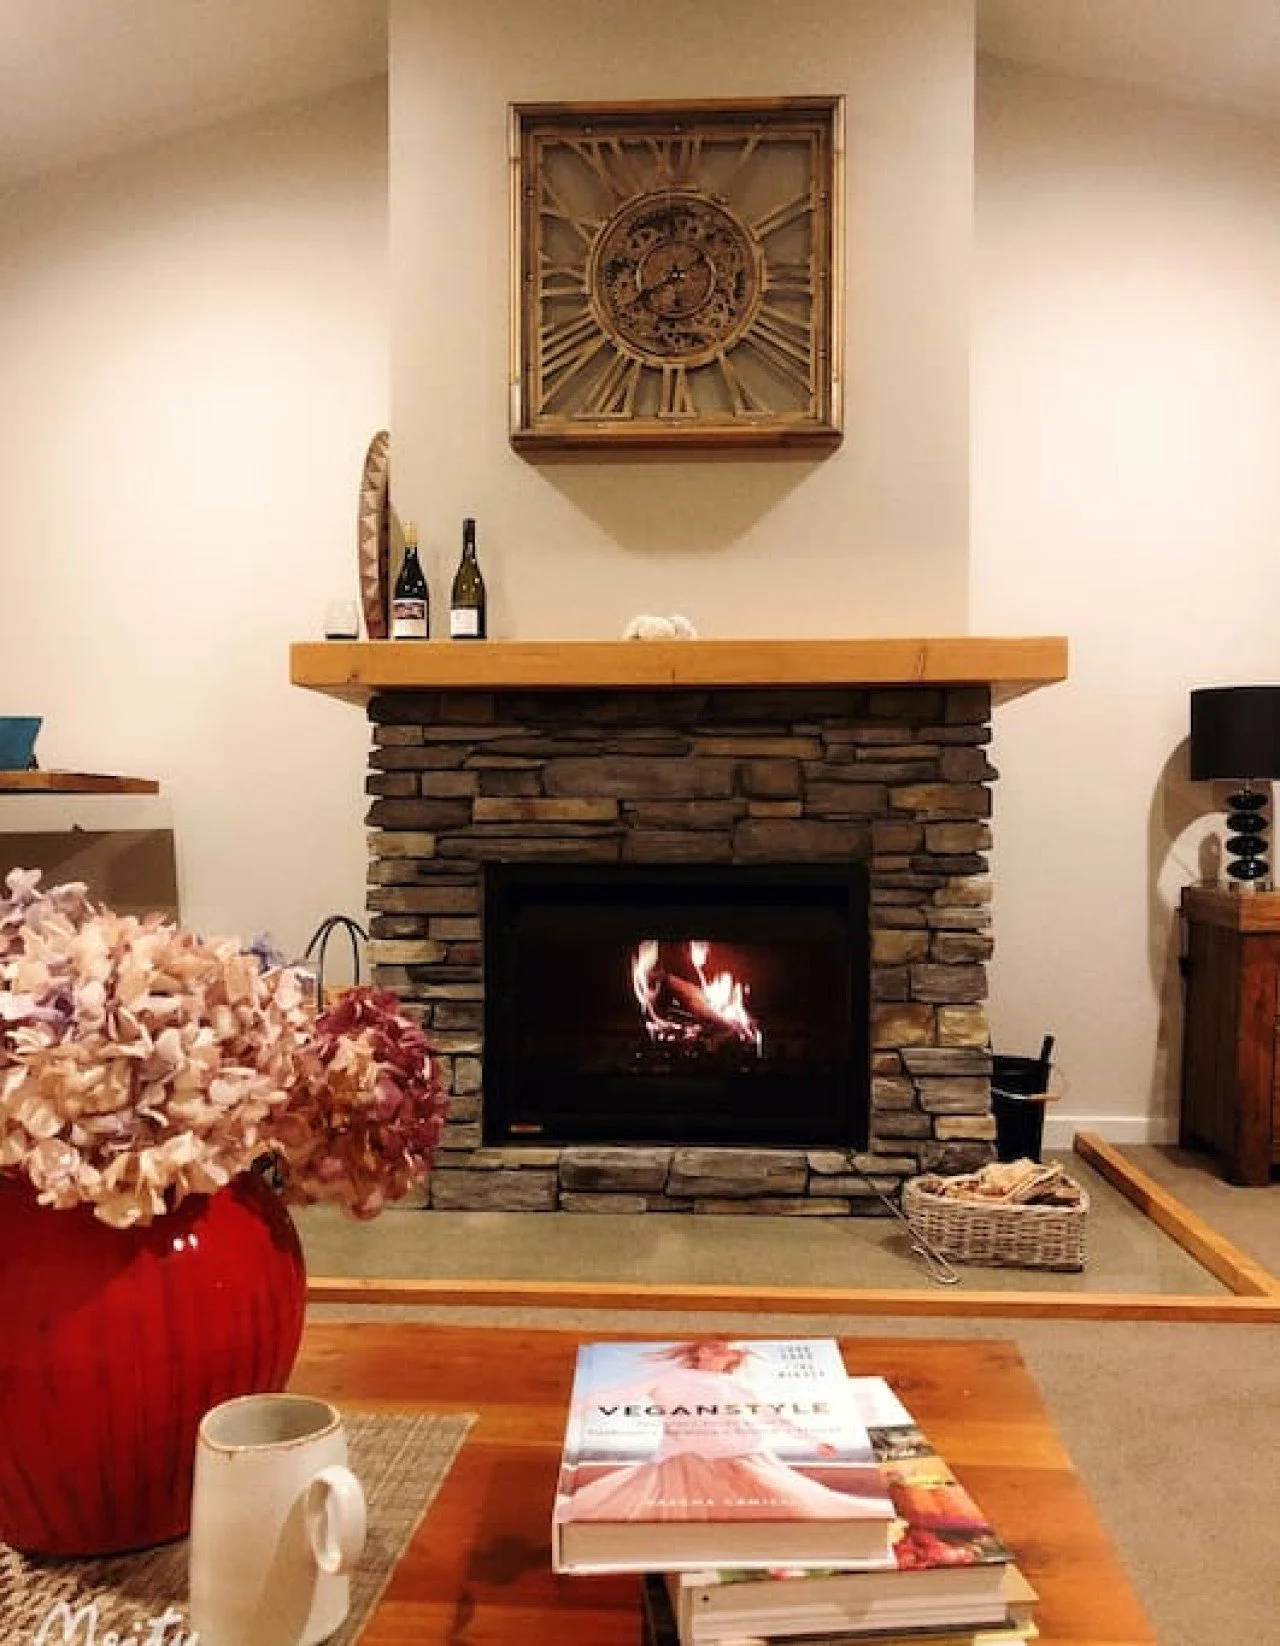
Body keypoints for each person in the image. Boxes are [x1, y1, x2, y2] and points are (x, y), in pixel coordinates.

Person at [564, 1339, 887, 1523]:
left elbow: (771, 1417)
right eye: (711, 1347)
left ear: (735, 1356)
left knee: (796, 1512)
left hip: (747, 1458)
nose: (719, 1351)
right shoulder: (668, 1377)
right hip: (684, 1461)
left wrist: (815, 1441)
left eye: (726, 1348)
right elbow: (613, 1397)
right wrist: (573, 1409)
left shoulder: (737, 1383)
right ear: (698, 1352)